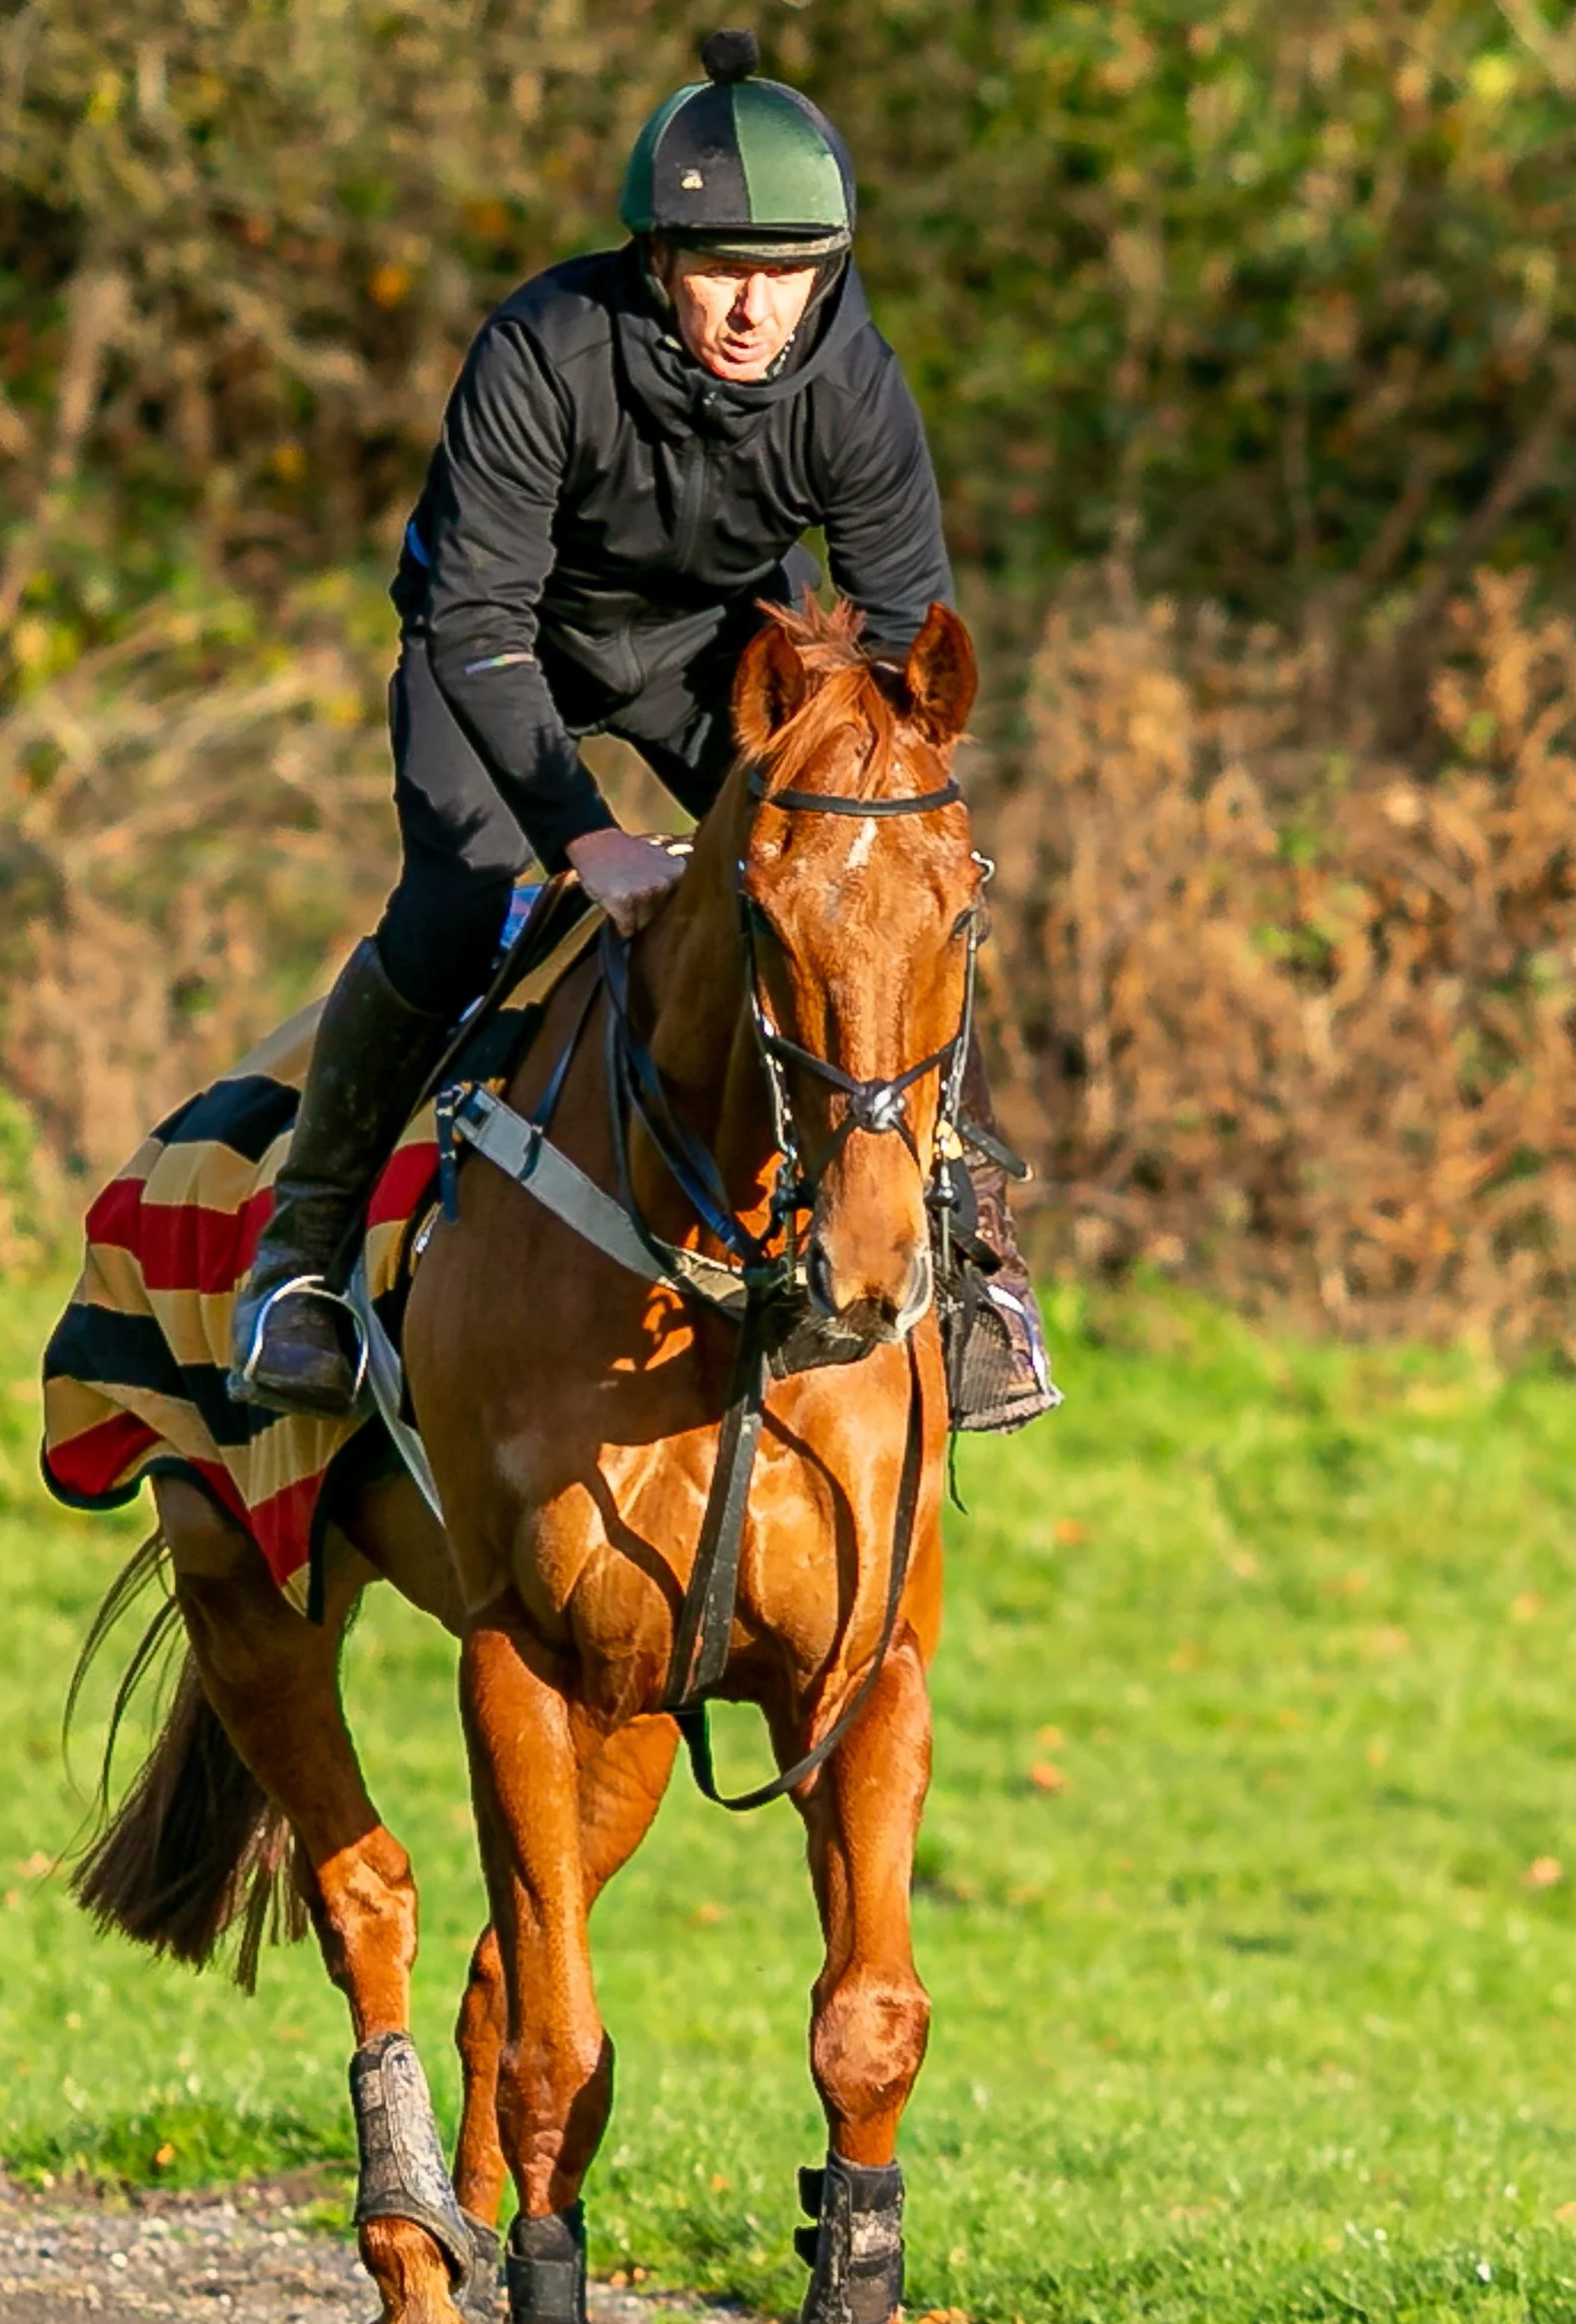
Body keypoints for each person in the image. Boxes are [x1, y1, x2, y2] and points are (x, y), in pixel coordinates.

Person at [231, 28, 1058, 1433]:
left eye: (787, 274)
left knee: (880, 905)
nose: (754, 309)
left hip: (707, 649)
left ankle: (970, 1256)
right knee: (454, 910)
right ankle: (300, 1264)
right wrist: (588, 839)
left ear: (829, 272)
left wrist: (886, 810)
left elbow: (909, 644)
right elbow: (472, 615)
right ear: (659, 263)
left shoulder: (855, 386)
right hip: (500, 646)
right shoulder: (544, 349)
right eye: (722, 271)